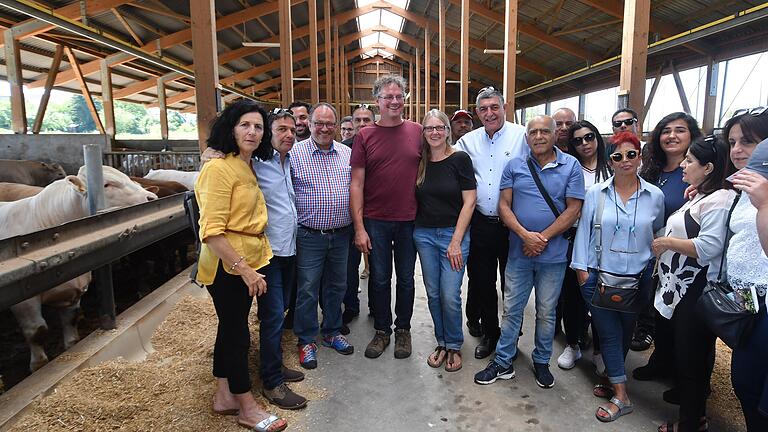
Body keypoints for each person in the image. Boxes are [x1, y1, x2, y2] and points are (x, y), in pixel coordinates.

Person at [200, 107, 308, 411]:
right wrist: (245, 270)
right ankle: (262, 390)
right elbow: (211, 229)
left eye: (257, 127)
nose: (252, 132)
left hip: (269, 252)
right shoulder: (227, 165)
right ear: (231, 129)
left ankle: (227, 394)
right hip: (239, 263)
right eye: (245, 125)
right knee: (249, 327)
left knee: (243, 325)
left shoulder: (256, 164)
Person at [473, 115, 584, 389]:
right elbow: (504, 206)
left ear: (555, 134)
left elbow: (574, 209)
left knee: (546, 312)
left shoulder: (571, 166)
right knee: (511, 310)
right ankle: (503, 361)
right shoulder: (515, 166)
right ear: (526, 137)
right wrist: (525, 235)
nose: (538, 136)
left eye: (544, 131)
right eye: (533, 132)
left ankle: (542, 361)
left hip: (554, 256)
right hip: (519, 253)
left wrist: (542, 238)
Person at [571, 131, 665, 423]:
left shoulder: (655, 196)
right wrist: (581, 271)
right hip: (598, 275)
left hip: (639, 278)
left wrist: (654, 270)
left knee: (625, 332)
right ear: (609, 161)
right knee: (609, 334)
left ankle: (614, 377)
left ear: (640, 157)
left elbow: (659, 235)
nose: (625, 161)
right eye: (617, 156)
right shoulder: (596, 193)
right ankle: (622, 396)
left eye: (631, 154)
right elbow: (584, 232)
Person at [652, 135, 735, 432]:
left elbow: (708, 247)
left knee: (692, 360)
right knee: (688, 355)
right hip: (684, 285)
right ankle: (692, 412)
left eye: (690, 161)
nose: (683, 166)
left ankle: (690, 423)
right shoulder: (703, 194)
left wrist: (666, 242)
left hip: (697, 287)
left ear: (709, 167)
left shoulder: (720, 201)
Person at [351, 75, 422, 360]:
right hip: (376, 220)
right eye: (388, 97)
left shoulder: (417, 131)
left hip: (410, 220)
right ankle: (382, 330)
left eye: (399, 95)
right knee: (380, 278)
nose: (394, 101)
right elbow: (356, 183)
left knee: (405, 278)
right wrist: (359, 228)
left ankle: (403, 329)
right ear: (378, 101)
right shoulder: (365, 135)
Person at [454, 86, 528, 358]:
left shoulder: (522, 136)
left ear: (504, 107)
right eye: (483, 109)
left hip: (514, 225)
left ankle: (511, 334)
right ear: (477, 113)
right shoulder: (467, 142)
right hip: (482, 223)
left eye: (494, 107)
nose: (489, 113)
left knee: (514, 283)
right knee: (482, 282)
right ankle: (490, 333)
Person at [633, 113, 701, 402]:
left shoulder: (697, 172)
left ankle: (688, 381)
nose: (671, 136)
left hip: (686, 259)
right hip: (655, 255)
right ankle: (660, 362)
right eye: (666, 131)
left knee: (686, 323)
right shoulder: (651, 170)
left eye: (680, 131)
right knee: (659, 310)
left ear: (691, 136)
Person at [292, 103, 354, 369]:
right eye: (319, 123)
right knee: (307, 289)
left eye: (330, 123)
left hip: (341, 234)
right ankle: (306, 340)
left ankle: (331, 331)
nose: (325, 128)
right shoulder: (295, 154)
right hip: (310, 235)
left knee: (337, 286)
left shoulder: (347, 153)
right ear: (310, 124)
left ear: (337, 125)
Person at [414, 109, 477, 373]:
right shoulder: (419, 161)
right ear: (424, 132)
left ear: (447, 131)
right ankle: (441, 341)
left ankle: (454, 344)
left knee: (450, 295)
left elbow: (470, 200)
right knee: (433, 293)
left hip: (454, 234)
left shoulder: (460, 159)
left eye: (440, 127)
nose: (435, 132)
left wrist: (456, 240)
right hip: (424, 235)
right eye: (430, 128)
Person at [722, 108, 768, 431]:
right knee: (743, 380)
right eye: (732, 142)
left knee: (754, 385)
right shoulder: (743, 187)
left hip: (764, 301)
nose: (737, 149)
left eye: (747, 142)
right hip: (745, 299)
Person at [556, 120, 612, 372]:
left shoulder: (612, 165)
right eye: (577, 140)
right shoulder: (570, 167)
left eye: (589, 137)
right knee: (573, 295)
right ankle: (574, 343)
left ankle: (601, 349)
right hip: (576, 237)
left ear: (597, 137)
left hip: (608, 241)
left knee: (603, 296)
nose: (584, 144)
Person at [342, 104, 376, 334]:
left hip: (376, 215)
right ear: (352, 124)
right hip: (351, 215)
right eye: (358, 120)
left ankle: (376, 306)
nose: (362, 125)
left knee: (378, 265)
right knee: (349, 265)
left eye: (367, 120)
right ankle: (351, 306)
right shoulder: (342, 149)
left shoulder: (381, 144)